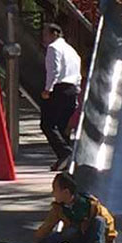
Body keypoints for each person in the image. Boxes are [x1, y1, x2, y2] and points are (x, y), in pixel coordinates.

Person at [29, 171, 116, 243]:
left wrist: (110, 237)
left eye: (55, 190)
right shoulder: (58, 208)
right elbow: (48, 225)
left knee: (99, 220)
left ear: (66, 192)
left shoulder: (90, 204)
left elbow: (108, 218)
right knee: (68, 232)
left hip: (90, 237)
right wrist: (39, 240)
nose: (53, 193)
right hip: (75, 240)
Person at [40, 23, 82, 169]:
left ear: (54, 34)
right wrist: (77, 89)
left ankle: (65, 152)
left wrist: (48, 89)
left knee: (47, 124)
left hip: (59, 88)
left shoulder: (53, 48)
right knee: (62, 126)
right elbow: (77, 72)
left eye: (45, 34)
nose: (43, 38)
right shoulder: (71, 50)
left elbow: (54, 70)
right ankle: (65, 161)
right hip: (72, 89)